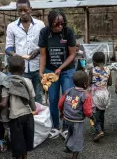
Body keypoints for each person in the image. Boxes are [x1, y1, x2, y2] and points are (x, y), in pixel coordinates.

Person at [39, 10, 76, 138]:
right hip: (50, 70)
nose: (60, 26)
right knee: (53, 99)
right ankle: (55, 126)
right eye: (56, 24)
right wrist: (41, 71)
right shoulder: (44, 32)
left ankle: (66, 127)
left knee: (67, 98)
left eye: (62, 23)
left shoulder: (68, 32)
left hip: (67, 70)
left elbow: (72, 54)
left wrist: (61, 67)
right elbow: (43, 54)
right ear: (50, 23)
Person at [0, 56, 36, 159]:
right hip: (28, 116)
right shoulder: (27, 81)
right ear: (24, 69)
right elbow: (32, 102)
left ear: (8, 69)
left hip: (15, 118)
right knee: (26, 141)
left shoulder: (5, 83)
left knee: (18, 144)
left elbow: (3, 103)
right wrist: (33, 109)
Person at [5, 0, 45, 104]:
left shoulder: (40, 25)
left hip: (37, 67)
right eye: (20, 11)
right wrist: (16, 55)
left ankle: (38, 119)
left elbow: (45, 44)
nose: (23, 13)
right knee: (22, 97)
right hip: (21, 69)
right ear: (17, 11)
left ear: (30, 9)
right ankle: (25, 118)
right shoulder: (11, 27)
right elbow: (8, 48)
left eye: (25, 10)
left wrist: (37, 50)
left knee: (38, 97)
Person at [58, 70, 93, 159]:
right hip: (77, 120)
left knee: (70, 133)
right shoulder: (85, 95)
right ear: (85, 84)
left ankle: (68, 147)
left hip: (67, 118)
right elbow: (87, 111)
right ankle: (74, 156)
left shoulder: (68, 91)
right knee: (78, 138)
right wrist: (91, 117)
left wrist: (61, 112)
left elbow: (60, 104)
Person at [88, 52, 112, 141]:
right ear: (104, 60)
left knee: (94, 114)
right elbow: (110, 83)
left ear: (94, 61)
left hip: (96, 94)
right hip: (105, 94)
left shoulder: (92, 70)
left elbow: (88, 83)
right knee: (102, 113)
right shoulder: (108, 70)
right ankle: (102, 129)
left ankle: (99, 131)